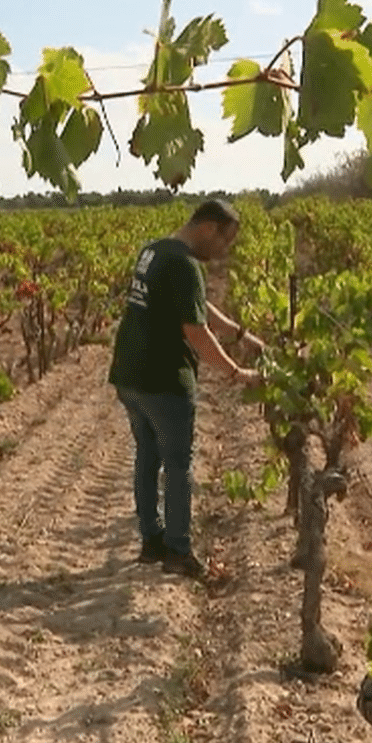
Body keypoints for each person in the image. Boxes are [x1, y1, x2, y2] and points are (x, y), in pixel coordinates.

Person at [107, 198, 264, 580]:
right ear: (209, 228)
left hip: (130, 376)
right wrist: (235, 371)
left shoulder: (155, 250)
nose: (224, 251)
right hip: (164, 380)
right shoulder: (186, 264)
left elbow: (199, 307)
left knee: (147, 457)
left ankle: (151, 542)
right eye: (224, 241)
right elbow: (195, 331)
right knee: (178, 466)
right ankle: (178, 550)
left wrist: (241, 334)